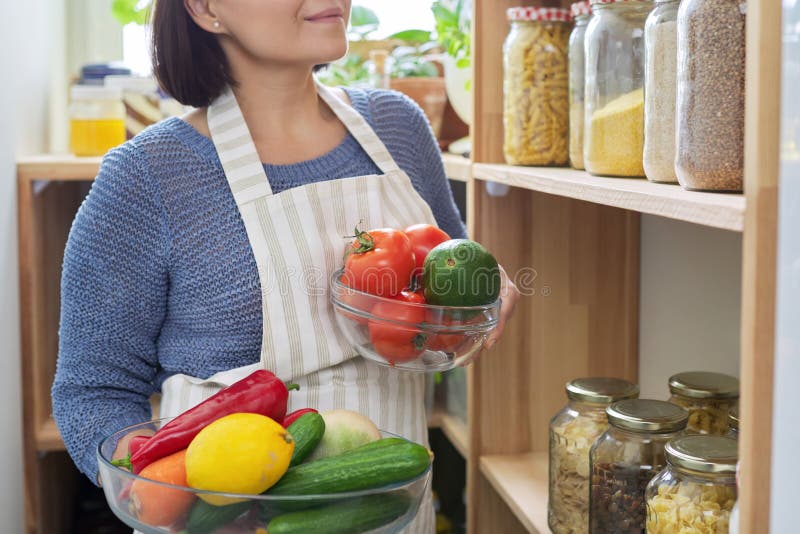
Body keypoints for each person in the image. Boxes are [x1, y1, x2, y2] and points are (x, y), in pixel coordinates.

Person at [52, 1, 519, 531]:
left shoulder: (398, 129)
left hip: (393, 514)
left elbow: (443, 283)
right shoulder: (146, 177)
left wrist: (481, 295)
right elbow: (93, 390)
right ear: (207, 10)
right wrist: (159, 484)